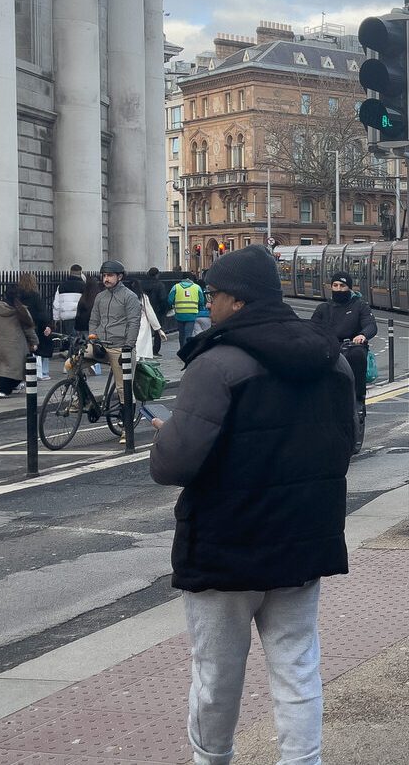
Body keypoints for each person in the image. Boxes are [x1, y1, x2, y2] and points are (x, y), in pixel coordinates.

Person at [149, 245, 353, 765]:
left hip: (226, 547)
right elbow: (343, 445)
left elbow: (175, 465)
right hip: (302, 543)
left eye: (213, 294)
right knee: (297, 665)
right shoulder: (332, 361)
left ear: (236, 301)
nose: (208, 303)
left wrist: (165, 435)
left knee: (217, 676)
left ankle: (212, 760)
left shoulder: (216, 365)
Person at [309, 272, 378, 404]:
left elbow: (371, 325)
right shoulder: (323, 308)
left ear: (349, 288)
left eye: (342, 285)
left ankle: (358, 399)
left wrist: (362, 335)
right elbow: (313, 327)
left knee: (357, 355)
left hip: (352, 346)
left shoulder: (360, 306)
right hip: (330, 346)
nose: (338, 289)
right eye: (335, 285)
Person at [88, 261, 141, 391]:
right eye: (104, 275)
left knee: (123, 388)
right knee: (71, 365)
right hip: (100, 346)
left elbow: (134, 322)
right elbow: (94, 320)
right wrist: (93, 340)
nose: (106, 279)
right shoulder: (100, 297)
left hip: (119, 346)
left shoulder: (129, 297)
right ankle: (82, 398)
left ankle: (127, 410)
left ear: (120, 277)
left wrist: (128, 346)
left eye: (110, 275)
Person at [0, 286, 38, 398]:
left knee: (5, 367)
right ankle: (2, 390)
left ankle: (7, 388)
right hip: (15, 344)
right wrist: (34, 342)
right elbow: (28, 328)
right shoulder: (21, 310)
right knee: (17, 367)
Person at [18, 272, 53, 381]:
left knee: (24, 350)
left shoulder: (17, 296)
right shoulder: (35, 296)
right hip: (36, 326)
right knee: (42, 348)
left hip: (21, 325)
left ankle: (25, 372)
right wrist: (47, 324)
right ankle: (43, 372)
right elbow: (42, 312)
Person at [129, 278, 167, 361]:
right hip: (143, 321)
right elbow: (150, 313)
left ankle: (135, 358)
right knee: (141, 342)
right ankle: (139, 359)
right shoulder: (143, 297)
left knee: (134, 342)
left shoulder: (127, 297)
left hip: (130, 321)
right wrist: (158, 328)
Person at [168, 273, 204, 348]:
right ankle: (185, 351)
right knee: (188, 334)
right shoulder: (197, 287)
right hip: (192, 314)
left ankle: (181, 349)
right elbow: (201, 301)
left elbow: (170, 300)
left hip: (179, 314)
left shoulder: (176, 287)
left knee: (181, 333)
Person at [142, 268, 170, 355]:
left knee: (145, 330)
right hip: (157, 311)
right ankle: (155, 350)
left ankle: (145, 349)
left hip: (145, 310)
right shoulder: (160, 285)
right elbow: (163, 298)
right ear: (157, 274)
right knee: (158, 330)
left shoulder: (142, 284)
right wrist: (164, 310)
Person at [51, 265, 85, 336]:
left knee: (69, 337)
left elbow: (56, 304)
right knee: (80, 339)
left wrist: (56, 318)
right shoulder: (84, 286)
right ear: (81, 273)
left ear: (70, 272)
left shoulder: (61, 286)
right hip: (79, 316)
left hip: (66, 316)